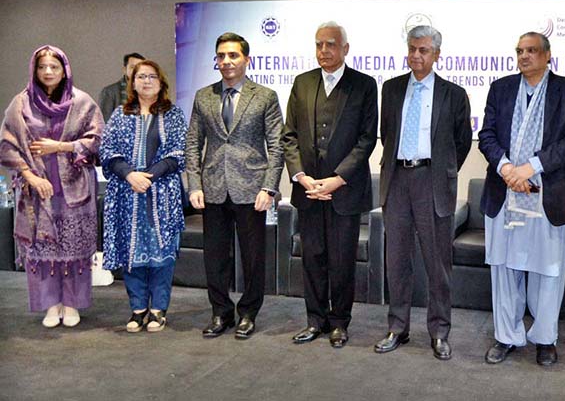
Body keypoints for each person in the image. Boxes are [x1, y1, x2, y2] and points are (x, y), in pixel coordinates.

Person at [478, 32, 565, 366]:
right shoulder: (501, 88)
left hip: (550, 194)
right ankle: (506, 336)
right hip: (504, 190)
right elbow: (487, 136)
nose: (525, 56)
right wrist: (508, 168)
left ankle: (545, 338)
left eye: (532, 50)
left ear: (548, 55)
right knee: (505, 269)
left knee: (548, 270)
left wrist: (531, 168)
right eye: (520, 51)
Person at [373, 25, 472, 360]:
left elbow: (460, 142)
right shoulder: (391, 89)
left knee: (437, 263)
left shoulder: (454, 94)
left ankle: (439, 332)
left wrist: (442, 171)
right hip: (398, 179)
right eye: (412, 49)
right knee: (397, 260)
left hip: (433, 181)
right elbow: (387, 134)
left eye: (424, 50)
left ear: (437, 54)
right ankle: (397, 328)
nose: (416, 55)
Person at [281, 22, 378, 348]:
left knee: (341, 261)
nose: (324, 50)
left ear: (345, 48)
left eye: (331, 45)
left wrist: (336, 180)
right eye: (319, 44)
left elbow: (366, 140)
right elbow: (289, 135)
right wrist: (301, 176)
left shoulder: (364, 86)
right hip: (308, 190)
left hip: (344, 191)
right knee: (312, 259)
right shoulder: (302, 82)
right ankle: (315, 320)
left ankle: (339, 322)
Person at [186, 32, 284, 340]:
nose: (226, 61)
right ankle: (220, 312)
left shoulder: (265, 96)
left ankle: (248, 313)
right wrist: (194, 185)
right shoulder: (204, 96)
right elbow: (193, 142)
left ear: (246, 59)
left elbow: (277, 145)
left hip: (251, 189)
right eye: (221, 56)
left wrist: (268, 188)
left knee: (253, 257)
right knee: (214, 256)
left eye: (233, 55)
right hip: (213, 188)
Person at [0, 45, 103, 328]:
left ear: (64, 70)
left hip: (75, 188)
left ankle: (71, 304)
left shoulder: (82, 102)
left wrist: (62, 146)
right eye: (42, 67)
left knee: (73, 248)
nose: (48, 72)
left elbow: (97, 140)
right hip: (36, 191)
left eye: (54, 67)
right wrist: (31, 177)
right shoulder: (20, 103)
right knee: (43, 249)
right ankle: (50, 305)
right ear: (34, 70)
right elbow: (8, 146)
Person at [100, 60, 187, 333]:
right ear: (132, 82)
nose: (146, 81)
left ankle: (158, 310)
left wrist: (149, 176)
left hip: (162, 195)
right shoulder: (119, 115)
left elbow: (178, 152)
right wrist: (129, 174)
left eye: (152, 76)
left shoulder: (173, 115)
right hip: (127, 194)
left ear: (161, 83)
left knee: (162, 254)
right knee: (131, 252)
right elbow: (107, 151)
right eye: (141, 77)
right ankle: (138, 309)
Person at [99, 52, 145, 121]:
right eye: (132, 67)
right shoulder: (109, 92)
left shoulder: (148, 92)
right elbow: (104, 123)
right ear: (124, 70)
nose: (136, 71)